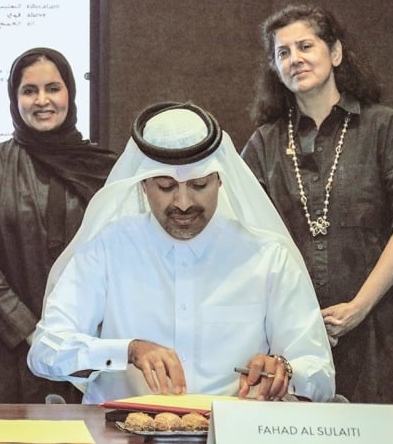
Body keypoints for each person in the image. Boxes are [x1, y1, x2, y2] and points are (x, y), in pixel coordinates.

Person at [28, 102, 335, 404]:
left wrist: (285, 371)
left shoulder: (267, 256)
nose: (184, 203)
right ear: (143, 185)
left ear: (220, 179)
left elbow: (321, 375)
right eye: (166, 187)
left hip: (230, 433)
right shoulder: (108, 248)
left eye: (199, 185)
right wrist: (127, 351)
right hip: (117, 432)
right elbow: (45, 351)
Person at [242, 4, 393, 403]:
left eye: (305, 46)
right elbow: (245, 239)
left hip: (378, 329)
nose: (295, 59)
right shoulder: (264, 143)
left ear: (335, 53)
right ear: (275, 68)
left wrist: (359, 306)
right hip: (291, 337)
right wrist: (293, 320)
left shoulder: (384, 127)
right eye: (283, 53)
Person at [0, 48, 116, 404]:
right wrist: (28, 329)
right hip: (7, 350)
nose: (42, 100)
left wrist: (71, 339)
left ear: (70, 93)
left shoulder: (105, 170)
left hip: (87, 352)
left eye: (53, 88)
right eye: (29, 91)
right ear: (15, 100)